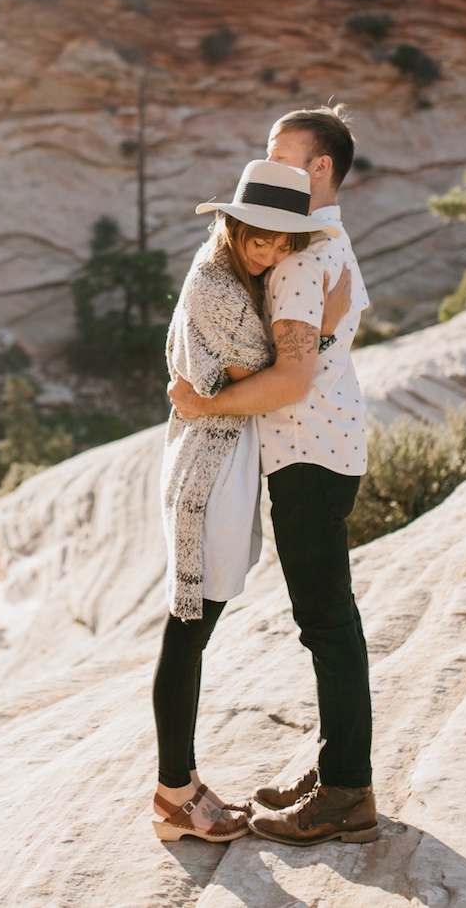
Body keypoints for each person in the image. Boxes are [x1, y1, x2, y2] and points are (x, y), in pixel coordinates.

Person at [168, 105, 376, 847]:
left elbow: (289, 379)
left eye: (280, 153)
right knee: (331, 620)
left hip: (308, 450)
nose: (269, 161)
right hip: (334, 442)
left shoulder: (298, 258)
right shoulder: (335, 243)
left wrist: (206, 404)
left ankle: (347, 792)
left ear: (318, 166)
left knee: (327, 623)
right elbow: (328, 339)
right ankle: (338, 772)